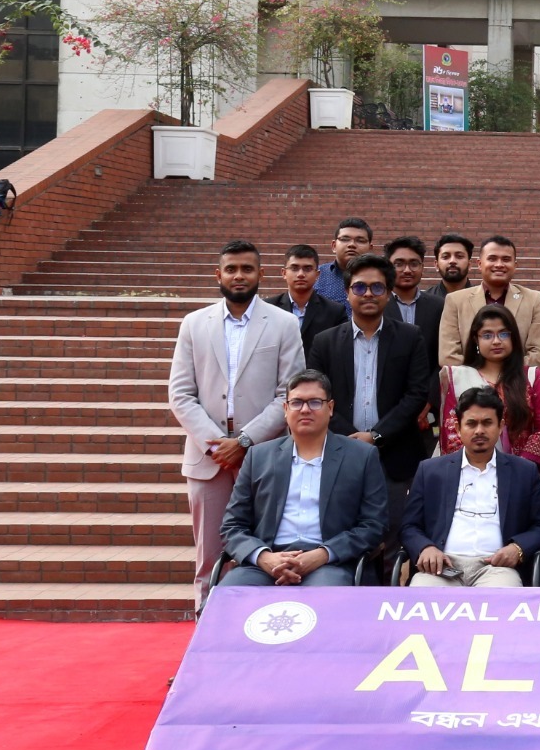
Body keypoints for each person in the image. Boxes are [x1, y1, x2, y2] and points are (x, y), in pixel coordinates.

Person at [169, 239, 305, 594]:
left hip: (263, 454)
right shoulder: (194, 324)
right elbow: (180, 394)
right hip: (207, 458)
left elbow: (289, 395)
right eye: (231, 269)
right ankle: (206, 619)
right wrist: (217, 445)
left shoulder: (284, 323)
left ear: (261, 273)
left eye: (247, 269)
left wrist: (244, 441)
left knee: (265, 551)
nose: (239, 276)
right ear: (219, 275)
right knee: (209, 556)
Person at [217, 370, 386, 587]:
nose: (305, 409)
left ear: (330, 408)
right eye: (296, 403)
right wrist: (263, 557)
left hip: (329, 564)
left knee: (326, 599)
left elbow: (373, 525)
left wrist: (323, 554)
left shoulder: (361, 456)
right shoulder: (258, 456)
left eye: (315, 402)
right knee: (228, 598)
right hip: (266, 562)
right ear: (285, 409)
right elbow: (233, 524)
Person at [306, 254, 431, 544]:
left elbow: (416, 394)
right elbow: (316, 395)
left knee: (392, 538)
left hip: (395, 455)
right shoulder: (324, 341)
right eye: (360, 287)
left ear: (388, 293)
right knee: (339, 535)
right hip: (337, 451)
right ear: (347, 292)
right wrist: (351, 437)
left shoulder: (410, 337)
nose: (368, 294)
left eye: (377, 287)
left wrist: (375, 436)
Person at [401, 387, 540, 588]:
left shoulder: (524, 472)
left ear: (500, 426)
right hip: (441, 567)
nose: (479, 430)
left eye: (487, 423)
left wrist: (517, 548)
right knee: (422, 595)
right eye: (471, 423)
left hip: (497, 569)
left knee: (504, 598)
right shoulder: (430, 471)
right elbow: (409, 526)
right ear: (458, 427)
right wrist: (425, 547)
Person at [434, 304, 540, 474]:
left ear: (513, 337)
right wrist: (483, 469)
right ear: (476, 339)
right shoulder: (457, 378)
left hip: (522, 472)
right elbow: (453, 431)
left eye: (503, 334)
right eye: (487, 335)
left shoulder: (532, 377)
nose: (496, 341)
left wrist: (518, 469)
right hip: (471, 474)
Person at [437, 235, 540, 369]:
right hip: (469, 381)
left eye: (506, 259)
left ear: (515, 265)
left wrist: (504, 373)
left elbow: (539, 355)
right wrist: (484, 374)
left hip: (517, 379)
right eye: (492, 259)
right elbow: (448, 356)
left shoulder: (533, 300)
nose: (499, 265)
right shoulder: (455, 301)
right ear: (479, 264)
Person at [267, 244, 345, 355]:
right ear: (284, 273)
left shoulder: (334, 312)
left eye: (307, 269)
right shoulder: (268, 309)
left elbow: (339, 352)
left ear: (317, 274)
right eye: (294, 268)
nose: (301, 274)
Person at [386, 236, 443, 375]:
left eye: (414, 264)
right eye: (399, 264)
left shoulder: (439, 306)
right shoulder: (378, 306)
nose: (407, 270)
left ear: (422, 267)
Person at [313, 218, 372, 307]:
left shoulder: (381, 277)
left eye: (360, 240)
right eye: (345, 239)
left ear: (370, 248)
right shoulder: (317, 276)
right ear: (334, 246)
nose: (352, 244)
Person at [428, 233, 474, 300]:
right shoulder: (425, 301)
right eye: (445, 257)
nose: (452, 261)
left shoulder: (483, 299)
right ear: (436, 265)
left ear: (469, 264)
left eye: (459, 256)